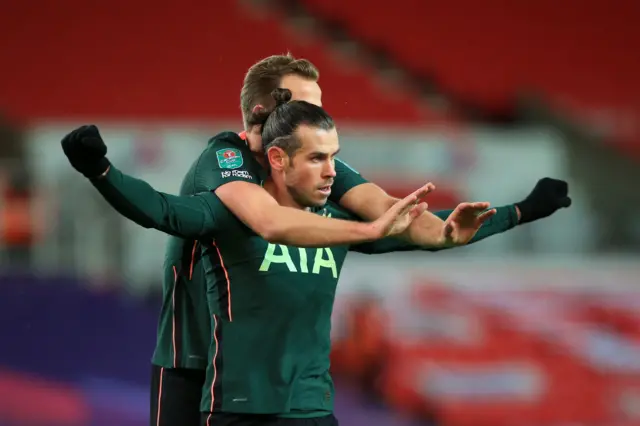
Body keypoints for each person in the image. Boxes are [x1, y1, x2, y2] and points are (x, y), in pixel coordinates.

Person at [61, 56, 571, 426]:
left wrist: (509, 214)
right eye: (307, 106)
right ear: (264, 113)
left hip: (281, 384)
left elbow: (395, 216)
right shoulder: (226, 156)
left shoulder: (319, 161)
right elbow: (268, 222)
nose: (320, 119)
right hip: (191, 354)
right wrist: (102, 170)